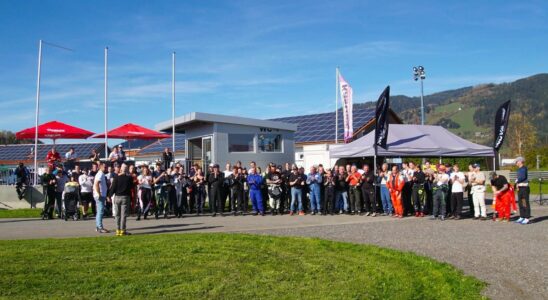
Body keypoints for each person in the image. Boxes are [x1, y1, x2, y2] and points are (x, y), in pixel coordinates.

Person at [109, 164, 134, 236]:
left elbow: (113, 188)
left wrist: (109, 196)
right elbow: (131, 187)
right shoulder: (129, 178)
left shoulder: (116, 177)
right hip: (125, 197)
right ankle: (123, 230)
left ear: (121, 169)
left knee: (117, 215)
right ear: (126, 169)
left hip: (117, 197)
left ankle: (117, 230)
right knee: (123, 215)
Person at [93, 163, 109, 233]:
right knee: (100, 211)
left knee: (99, 211)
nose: (105, 168)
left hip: (101, 195)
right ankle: (100, 227)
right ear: (100, 167)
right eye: (104, 167)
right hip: (100, 195)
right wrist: (99, 193)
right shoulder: (100, 174)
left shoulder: (101, 174)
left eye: (106, 167)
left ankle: (98, 226)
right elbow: (96, 184)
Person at [514, 157, 531, 224]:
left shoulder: (524, 168)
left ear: (520, 161)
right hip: (520, 188)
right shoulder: (519, 169)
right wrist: (516, 185)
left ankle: (527, 218)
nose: (516, 163)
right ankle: (522, 216)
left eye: (517, 161)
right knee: (520, 203)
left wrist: (517, 181)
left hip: (524, 188)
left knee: (525, 203)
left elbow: (523, 177)